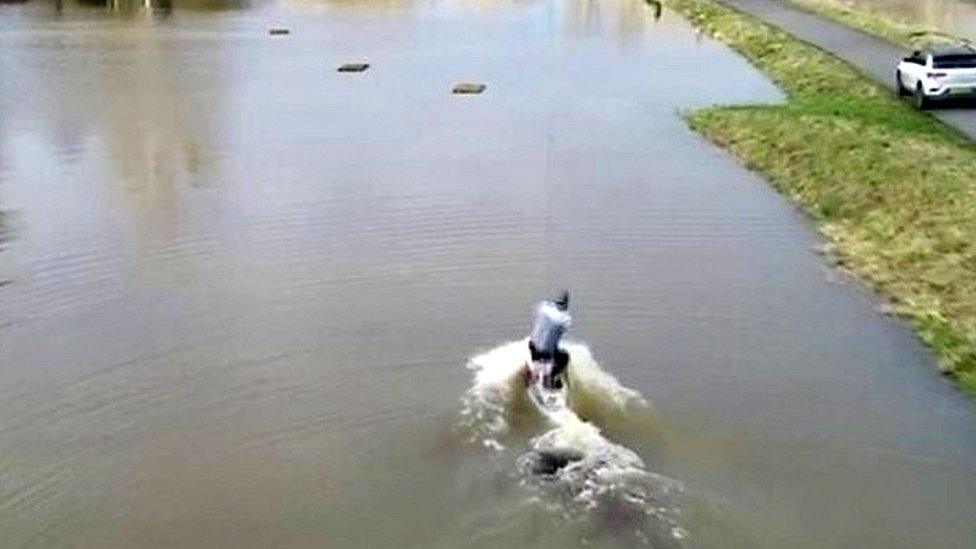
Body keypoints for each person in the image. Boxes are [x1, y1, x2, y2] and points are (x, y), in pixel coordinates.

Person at [527, 291, 572, 390]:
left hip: (532, 346)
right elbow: (557, 336)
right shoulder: (565, 318)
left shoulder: (544, 307)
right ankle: (552, 377)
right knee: (565, 357)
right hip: (546, 353)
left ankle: (535, 373)